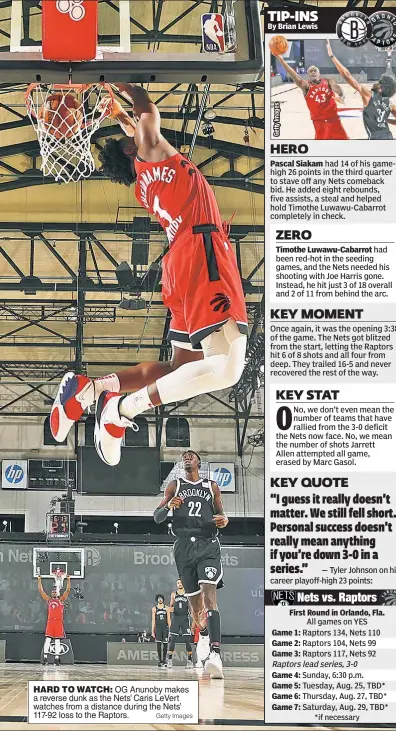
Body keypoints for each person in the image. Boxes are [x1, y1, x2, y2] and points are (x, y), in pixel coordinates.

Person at [50, 82, 248, 468]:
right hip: (201, 254)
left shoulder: (144, 181)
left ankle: (91, 391)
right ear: (134, 147)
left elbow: (137, 123)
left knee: (184, 370)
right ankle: (122, 410)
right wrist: (119, 83)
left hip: (183, 262)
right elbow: (145, 106)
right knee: (230, 366)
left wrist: (116, 113)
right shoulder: (154, 154)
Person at [153, 450, 228, 679]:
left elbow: (221, 515)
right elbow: (157, 516)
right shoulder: (175, 486)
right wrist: (168, 507)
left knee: (209, 595)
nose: (187, 457)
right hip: (184, 547)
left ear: (199, 462)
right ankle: (203, 633)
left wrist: (225, 520)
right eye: (184, 455)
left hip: (207, 544)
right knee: (196, 610)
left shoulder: (211, 486)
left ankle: (215, 653)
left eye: (191, 455)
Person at [326, 40, 396, 140]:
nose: (377, 82)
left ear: (381, 87)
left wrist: (332, 57)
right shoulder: (390, 104)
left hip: (375, 139)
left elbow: (347, 76)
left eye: (380, 82)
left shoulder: (369, 95)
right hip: (388, 136)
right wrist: (387, 121)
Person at [274, 52, 348, 140]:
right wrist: (281, 60)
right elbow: (293, 74)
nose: (313, 72)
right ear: (308, 75)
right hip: (319, 123)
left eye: (315, 71)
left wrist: (341, 96)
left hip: (334, 120)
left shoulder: (328, 82)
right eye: (310, 71)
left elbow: (338, 89)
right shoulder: (306, 86)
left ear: (319, 73)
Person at [37, 574, 71, 665]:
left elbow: (68, 590)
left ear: (58, 593)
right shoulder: (49, 600)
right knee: (48, 639)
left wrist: (68, 580)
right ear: (51, 593)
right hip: (51, 622)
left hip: (58, 622)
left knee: (57, 640)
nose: (54, 593)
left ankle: (57, 658)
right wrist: (39, 579)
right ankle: (45, 657)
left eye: (56, 592)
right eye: (53, 592)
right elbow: (41, 590)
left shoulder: (61, 600)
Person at [167, 578, 193, 669]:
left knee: (187, 639)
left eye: (181, 582)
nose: (179, 584)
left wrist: (193, 619)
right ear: (176, 584)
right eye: (178, 583)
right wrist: (170, 619)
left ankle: (190, 660)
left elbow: (190, 608)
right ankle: (169, 660)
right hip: (176, 618)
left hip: (185, 618)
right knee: (173, 639)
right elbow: (170, 607)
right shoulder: (173, 594)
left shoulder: (187, 594)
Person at [151, 594, 170, 667]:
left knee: (165, 644)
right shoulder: (154, 608)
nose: (160, 600)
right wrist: (152, 631)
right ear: (157, 600)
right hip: (158, 628)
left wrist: (170, 630)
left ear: (163, 599)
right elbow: (153, 620)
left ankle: (164, 659)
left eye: (161, 598)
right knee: (158, 644)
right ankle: (160, 660)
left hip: (165, 627)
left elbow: (169, 619)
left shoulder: (167, 608)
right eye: (158, 598)